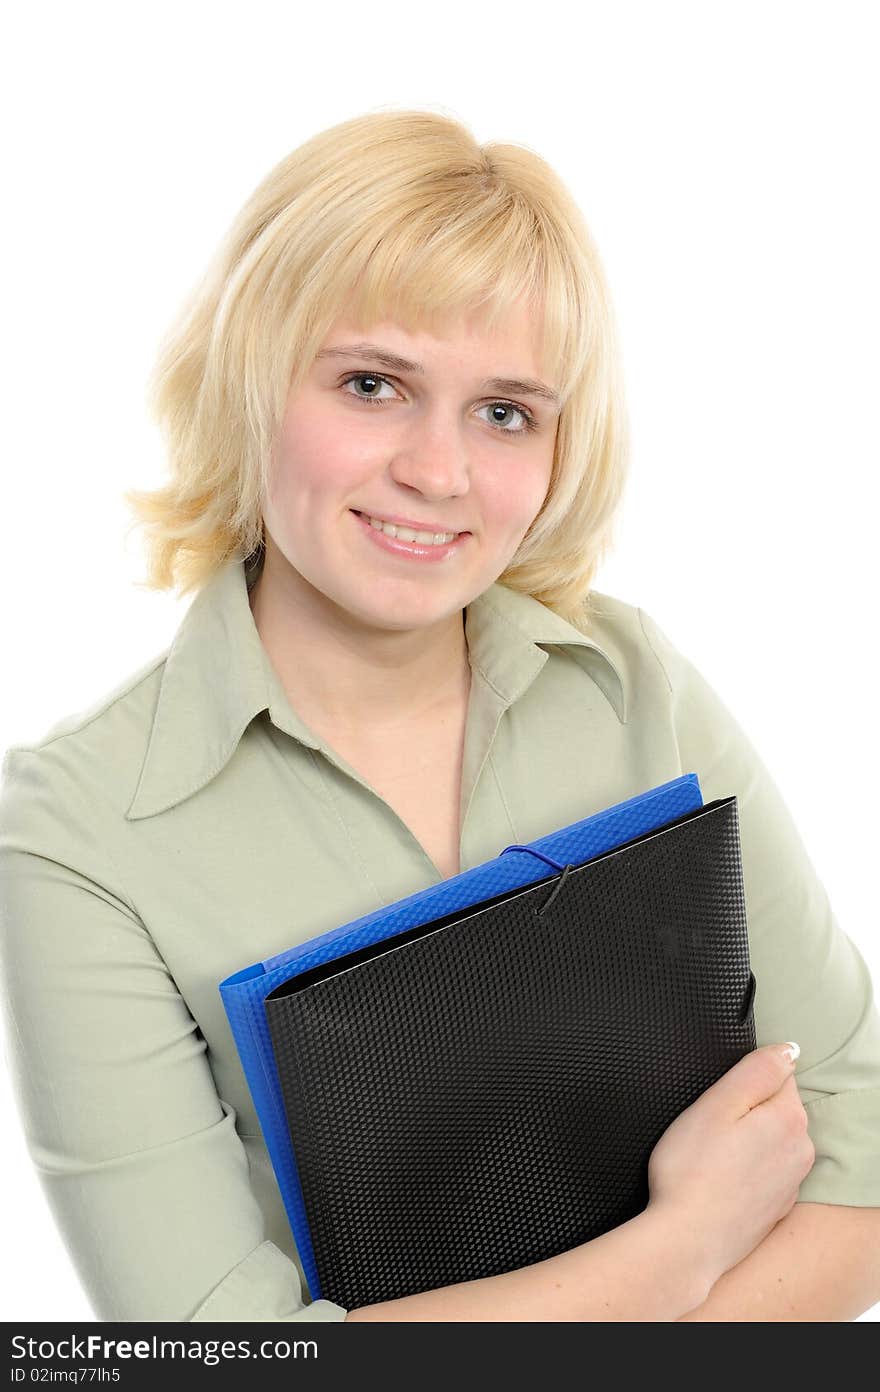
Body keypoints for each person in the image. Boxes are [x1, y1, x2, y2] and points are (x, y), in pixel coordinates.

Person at [0, 108, 878, 1324]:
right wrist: (686, 1245)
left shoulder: (635, 686)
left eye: (505, 411)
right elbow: (225, 1356)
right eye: (373, 385)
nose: (439, 470)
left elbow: (863, 1159)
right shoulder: (78, 829)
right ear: (250, 380)